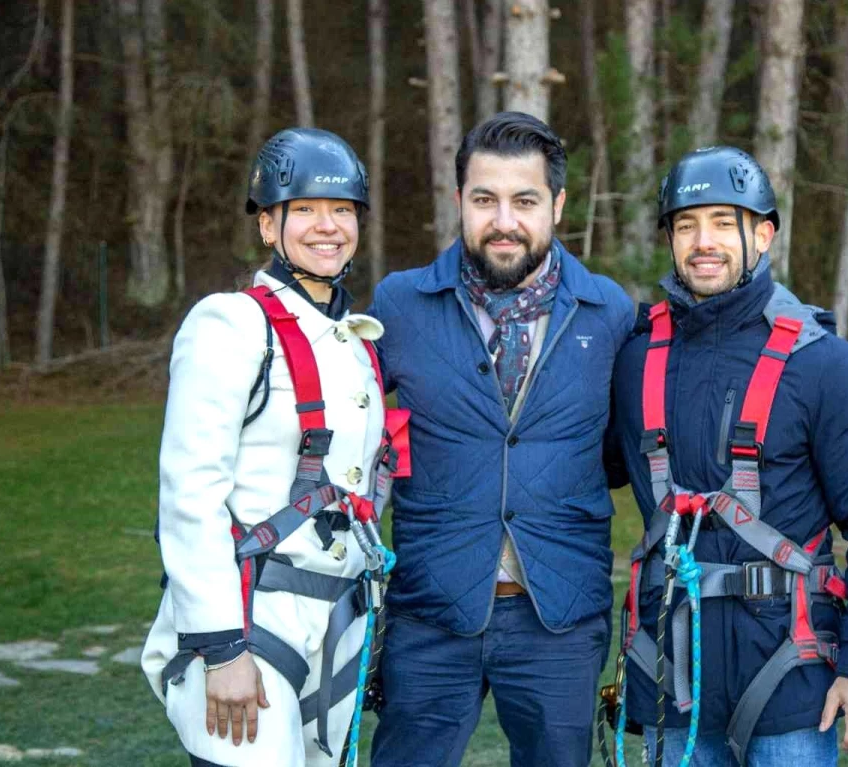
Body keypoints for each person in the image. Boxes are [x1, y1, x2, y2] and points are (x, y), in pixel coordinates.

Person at [604, 146, 848, 767]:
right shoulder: (634, 361)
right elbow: (588, 468)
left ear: (764, 233)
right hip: (671, 676)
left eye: (724, 221)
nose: (702, 242)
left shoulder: (827, 367)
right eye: (686, 225)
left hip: (790, 678)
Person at [367, 111, 635, 767]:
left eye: (525, 200)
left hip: (560, 617)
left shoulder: (611, 313)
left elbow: (620, 454)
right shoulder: (399, 304)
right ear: (459, 200)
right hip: (431, 609)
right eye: (485, 199)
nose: (504, 220)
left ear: (558, 205)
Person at [141, 127, 402, 767]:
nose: (328, 226)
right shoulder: (230, 324)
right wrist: (221, 646)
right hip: (252, 619)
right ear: (267, 225)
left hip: (337, 620)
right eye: (305, 209)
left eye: (342, 210)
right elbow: (189, 492)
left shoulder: (357, 341)